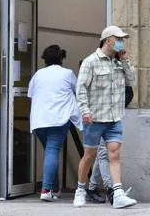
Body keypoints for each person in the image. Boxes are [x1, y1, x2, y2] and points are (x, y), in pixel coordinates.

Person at [73, 26, 137, 209]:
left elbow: (131, 79)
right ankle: (80, 190)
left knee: (114, 154)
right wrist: (85, 111)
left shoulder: (118, 62)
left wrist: (125, 60)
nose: (121, 43)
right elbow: (81, 88)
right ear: (108, 40)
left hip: (114, 117)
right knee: (89, 155)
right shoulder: (90, 62)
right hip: (94, 118)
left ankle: (117, 193)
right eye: (118, 39)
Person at [28, 45, 82, 201]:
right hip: (58, 120)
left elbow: (31, 95)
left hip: (39, 121)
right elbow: (79, 91)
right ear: (61, 58)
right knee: (52, 152)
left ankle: (55, 188)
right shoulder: (67, 74)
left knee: (50, 153)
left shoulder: (38, 75)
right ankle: (45, 190)